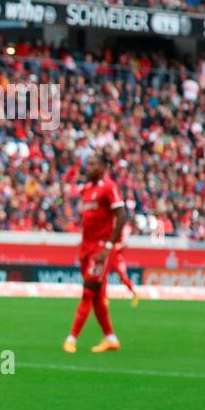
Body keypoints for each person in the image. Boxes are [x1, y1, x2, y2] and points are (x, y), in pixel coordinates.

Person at [64, 151, 126, 354]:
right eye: (87, 164)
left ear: (103, 167)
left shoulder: (109, 187)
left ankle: (71, 338)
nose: (88, 167)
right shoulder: (87, 189)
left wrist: (109, 246)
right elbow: (65, 196)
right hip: (85, 248)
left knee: (88, 292)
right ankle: (111, 338)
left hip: (99, 249)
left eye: (92, 164)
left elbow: (122, 215)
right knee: (98, 296)